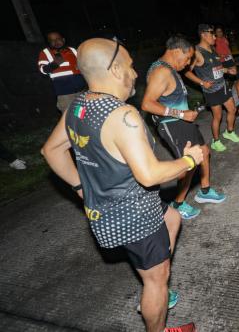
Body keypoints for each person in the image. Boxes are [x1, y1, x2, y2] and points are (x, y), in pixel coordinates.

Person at [41, 38, 200, 332]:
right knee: (156, 278)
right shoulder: (122, 115)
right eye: (129, 65)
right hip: (134, 217)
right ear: (115, 70)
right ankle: (156, 311)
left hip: (107, 211)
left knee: (173, 217)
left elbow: (51, 150)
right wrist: (190, 161)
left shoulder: (77, 106)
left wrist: (81, 188)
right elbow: (150, 175)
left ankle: (155, 287)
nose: (136, 73)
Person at [141, 35, 226, 221]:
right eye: (187, 58)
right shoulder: (161, 71)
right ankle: (177, 204)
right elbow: (147, 104)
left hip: (183, 121)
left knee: (203, 151)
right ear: (177, 51)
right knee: (188, 163)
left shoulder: (170, 68)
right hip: (172, 124)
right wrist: (181, 114)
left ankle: (204, 191)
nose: (188, 63)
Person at [185, 24, 239, 152]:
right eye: (212, 34)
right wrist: (202, 83)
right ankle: (216, 141)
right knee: (218, 116)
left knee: (232, 109)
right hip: (211, 91)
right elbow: (187, 72)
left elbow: (217, 68)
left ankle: (229, 132)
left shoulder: (212, 49)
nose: (215, 37)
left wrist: (228, 70)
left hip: (222, 85)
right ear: (203, 35)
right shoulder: (197, 52)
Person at [37, 31, 87, 112]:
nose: (56, 42)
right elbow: (43, 70)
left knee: (80, 113)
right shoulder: (45, 52)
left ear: (63, 40)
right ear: (49, 43)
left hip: (81, 90)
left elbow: (82, 63)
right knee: (68, 114)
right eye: (52, 40)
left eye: (58, 39)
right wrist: (55, 64)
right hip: (65, 93)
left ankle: (79, 123)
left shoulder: (72, 50)